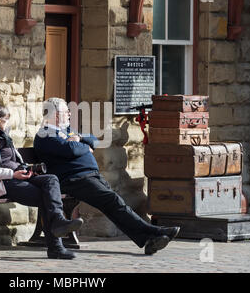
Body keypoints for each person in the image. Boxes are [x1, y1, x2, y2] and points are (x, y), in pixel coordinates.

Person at [34, 97, 180, 255]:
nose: (69, 114)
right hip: (75, 179)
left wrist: (81, 140)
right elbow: (73, 150)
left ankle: (148, 239)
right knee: (114, 202)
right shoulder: (45, 135)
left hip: (88, 176)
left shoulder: (66, 131)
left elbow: (94, 141)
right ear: (56, 115)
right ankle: (155, 232)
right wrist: (83, 146)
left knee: (114, 206)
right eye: (66, 112)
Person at [0, 103, 83, 260]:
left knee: (51, 180)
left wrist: (27, 169)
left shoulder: (3, 136)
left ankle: (58, 220)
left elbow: (13, 160)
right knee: (46, 197)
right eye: (6, 119)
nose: (8, 123)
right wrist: (13, 174)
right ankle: (56, 246)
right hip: (3, 183)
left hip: (17, 176)